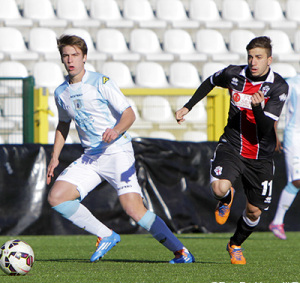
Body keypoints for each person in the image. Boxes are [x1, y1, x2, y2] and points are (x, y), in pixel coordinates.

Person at [46, 35, 195, 264]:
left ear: (84, 57)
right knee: (57, 197)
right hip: (91, 156)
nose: (70, 60)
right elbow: (63, 124)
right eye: (66, 55)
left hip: (117, 151)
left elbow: (129, 114)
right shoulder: (61, 92)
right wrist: (54, 157)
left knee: (134, 209)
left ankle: (181, 252)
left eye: (75, 55)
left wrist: (115, 130)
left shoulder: (101, 82)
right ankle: (106, 234)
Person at [175, 36, 288, 264]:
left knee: (254, 212)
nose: (253, 62)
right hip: (233, 145)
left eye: (258, 57)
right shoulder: (234, 74)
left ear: (269, 59)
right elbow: (210, 81)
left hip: (260, 156)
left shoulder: (278, 86)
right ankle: (226, 198)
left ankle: (235, 244)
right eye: (250, 57)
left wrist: (257, 108)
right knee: (219, 188)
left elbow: (266, 128)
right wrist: (188, 105)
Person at [269, 75, 300, 240]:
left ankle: (277, 221)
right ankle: (277, 221)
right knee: (297, 180)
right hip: (294, 137)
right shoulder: (292, 84)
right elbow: (276, 109)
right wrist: (274, 134)